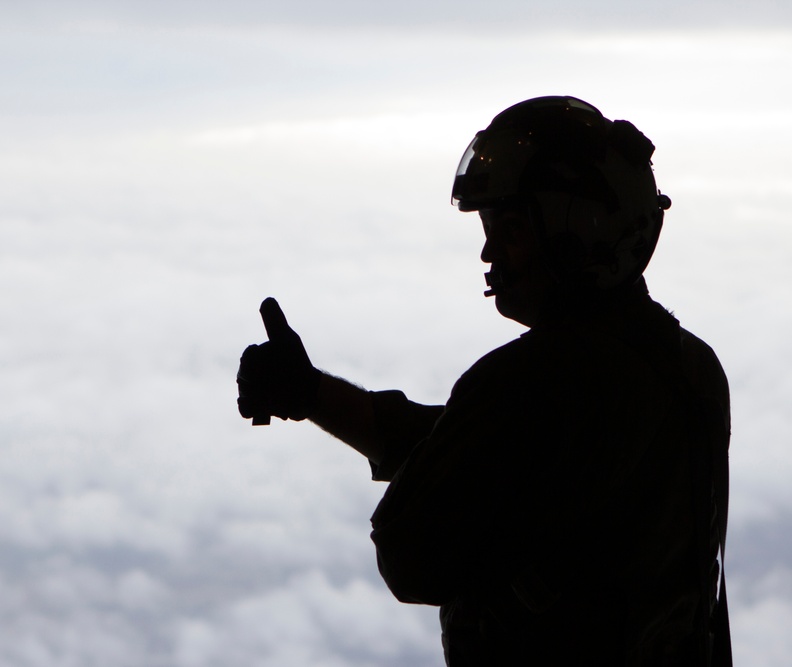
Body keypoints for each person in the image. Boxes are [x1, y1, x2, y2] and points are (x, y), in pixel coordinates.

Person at [236, 96, 731, 666]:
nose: (489, 252)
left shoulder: (528, 383)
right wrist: (313, 394)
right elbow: (494, 451)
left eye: (511, 230)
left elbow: (413, 557)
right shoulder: (689, 366)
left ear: (579, 232)